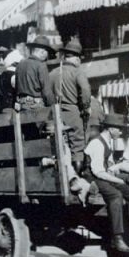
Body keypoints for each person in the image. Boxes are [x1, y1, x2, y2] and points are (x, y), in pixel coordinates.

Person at [84, 113, 129, 253]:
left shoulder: (108, 142)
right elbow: (98, 172)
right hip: (94, 177)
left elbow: (110, 164)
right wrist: (118, 180)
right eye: (119, 129)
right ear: (111, 129)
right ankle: (117, 237)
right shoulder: (97, 143)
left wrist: (119, 171)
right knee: (115, 196)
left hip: (105, 175)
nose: (120, 132)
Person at [50, 39, 91, 170]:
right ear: (77, 58)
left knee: (61, 146)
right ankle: (77, 180)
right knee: (77, 147)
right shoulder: (77, 72)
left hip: (56, 114)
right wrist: (85, 108)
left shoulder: (52, 73)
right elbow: (85, 90)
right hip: (73, 112)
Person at [15, 35, 56, 111]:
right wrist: (54, 106)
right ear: (43, 51)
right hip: (37, 106)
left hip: (22, 106)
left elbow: (16, 88)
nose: (47, 56)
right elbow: (47, 92)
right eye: (47, 52)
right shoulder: (41, 65)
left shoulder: (20, 65)